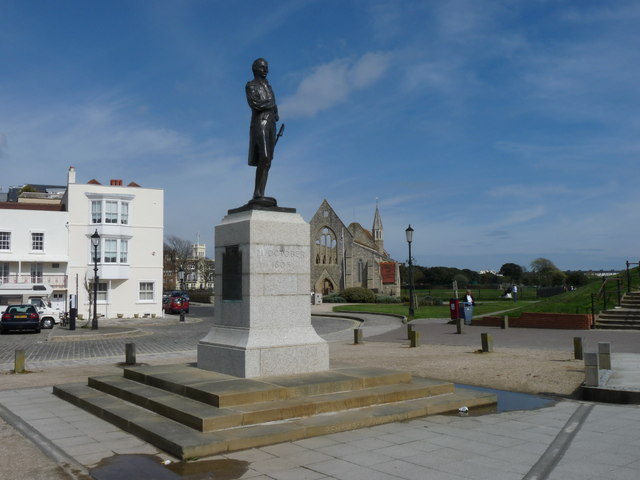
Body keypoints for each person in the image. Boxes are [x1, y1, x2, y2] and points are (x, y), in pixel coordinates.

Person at [246, 58, 279, 204]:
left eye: (266, 67)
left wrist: (275, 112)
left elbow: (274, 107)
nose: (265, 70)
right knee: (264, 157)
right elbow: (255, 103)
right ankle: (257, 194)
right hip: (260, 123)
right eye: (262, 67)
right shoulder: (251, 85)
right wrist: (271, 104)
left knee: (268, 161)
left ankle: (260, 193)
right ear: (255, 69)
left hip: (271, 123)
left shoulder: (269, 86)